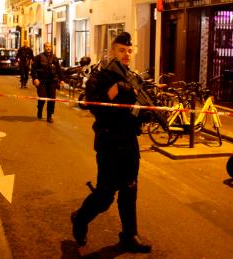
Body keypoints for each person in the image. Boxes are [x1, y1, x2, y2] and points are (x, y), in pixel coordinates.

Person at [71, 32, 152, 253]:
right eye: (121, 50)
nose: (126, 54)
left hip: (129, 141)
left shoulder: (131, 76)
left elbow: (135, 110)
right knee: (105, 195)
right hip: (109, 142)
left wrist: (146, 113)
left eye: (129, 50)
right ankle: (80, 219)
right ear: (111, 51)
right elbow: (91, 105)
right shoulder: (100, 76)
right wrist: (113, 92)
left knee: (130, 190)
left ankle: (129, 236)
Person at [31, 42, 65, 123]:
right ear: (44, 47)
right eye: (47, 46)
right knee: (42, 97)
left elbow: (59, 70)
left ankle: (49, 116)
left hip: (52, 82)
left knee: (51, 99)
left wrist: (62, 80)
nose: (48, 48)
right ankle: (39, 109)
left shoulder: (55, 58)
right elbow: (33, 69)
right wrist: (35, 78)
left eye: (50, 46)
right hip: (41, 81)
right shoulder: (38, 57)